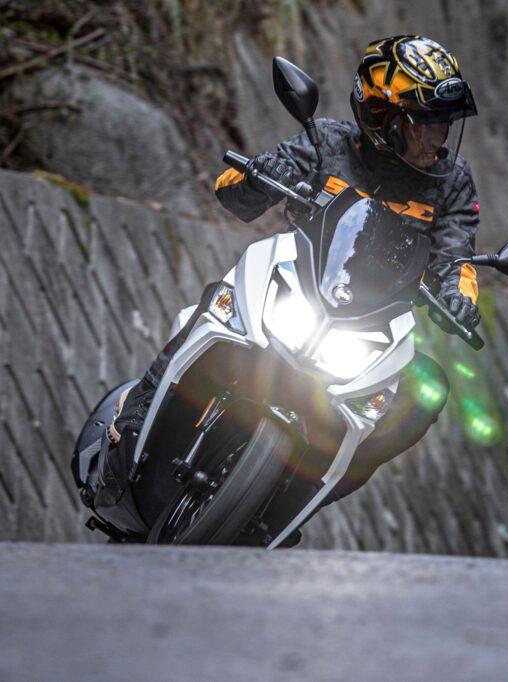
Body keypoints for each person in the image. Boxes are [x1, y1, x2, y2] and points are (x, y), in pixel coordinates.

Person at [108, 35, 483, 526]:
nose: (438, 138)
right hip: (295, 285)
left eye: (444, 124)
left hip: (372, 324)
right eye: (425, 124)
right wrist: (261, 173)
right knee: (221, 299)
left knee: (425, 390)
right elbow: (230, 192)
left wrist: (459, 296)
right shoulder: (326, 141)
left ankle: (294, 505)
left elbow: (458, 256)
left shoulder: (452, 180)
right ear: (382, 117)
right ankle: (137, 413)